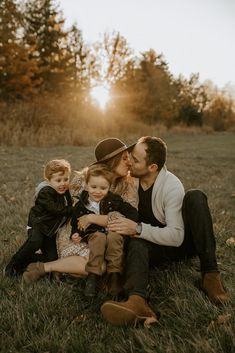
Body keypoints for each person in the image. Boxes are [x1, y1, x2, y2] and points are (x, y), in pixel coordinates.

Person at [101, 136, 228, 327]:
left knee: (195, 197)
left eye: (135, 160)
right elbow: (99, 181)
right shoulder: (130, 182)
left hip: (179, 244)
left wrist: (138, 228)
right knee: (136, 241)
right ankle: (137, 302)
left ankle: (210, 275)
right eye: (130, 157)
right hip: (151, 246)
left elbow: (176, 236)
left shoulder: (171, 185)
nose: (129, 163)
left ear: (152, 167)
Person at [21, 138, 138, 287]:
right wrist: (94, 218)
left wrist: (92, 217)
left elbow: (125, 221)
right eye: (124, 158)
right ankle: (43, 267)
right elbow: (76, 212)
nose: (129, 162)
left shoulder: (127, 187)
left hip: (105, 237)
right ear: (112, 161)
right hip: (77, 232)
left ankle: (60, 268)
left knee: (105, 265)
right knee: (99, 267)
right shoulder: (84, 179)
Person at [70, 164, 138, 297]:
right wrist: (75, 233)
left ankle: (114, 276)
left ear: (109, 187)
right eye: (93, 187)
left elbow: (133, 213)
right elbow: (75, 221)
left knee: (114, 237)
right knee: (98, 238)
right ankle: (93, 276)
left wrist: (126, 219)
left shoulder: (114, 200)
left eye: (103, 188)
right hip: (93, 233)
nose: (97, 191)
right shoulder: (81, 204)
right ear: (87, 185)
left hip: (113, 232)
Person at [5, 159, 73, 277]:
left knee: (51, 257)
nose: (63, 183)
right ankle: (12, 266)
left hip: (50, 230)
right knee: (35, 242)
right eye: (58, 180)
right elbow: (56, 209)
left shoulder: (65, 191)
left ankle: (28, 262)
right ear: (49, 180)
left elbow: (69, 203)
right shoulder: (45, 192)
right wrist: (73, 210)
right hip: (38, 224)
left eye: (66, 179)